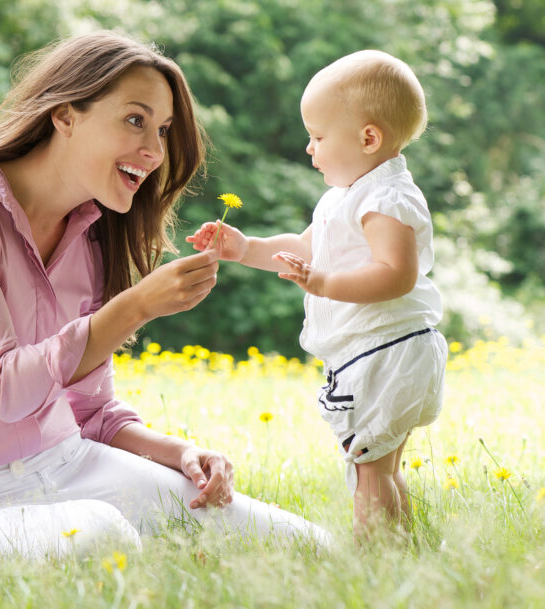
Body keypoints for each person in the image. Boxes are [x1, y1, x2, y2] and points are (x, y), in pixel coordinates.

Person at [0, 31, 331, 559]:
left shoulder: (91, 234)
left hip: (71, 465)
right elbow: (3, 389)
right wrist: (135, 306)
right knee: (100, 534)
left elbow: (91, 414)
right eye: (135, 120)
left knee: (307, 548)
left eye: (162, 130)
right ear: (66, 115)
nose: (155, 151)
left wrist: (182, 453)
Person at [187, 50, 446, 537]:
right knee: (379, 468)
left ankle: (374, 562)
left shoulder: (385, 198)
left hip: (387, 351)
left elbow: (396, 274)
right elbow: (305, 249)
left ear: (369, 138)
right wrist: (245, 248)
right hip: (378, 351)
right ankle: (401, 553)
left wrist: (324, 283)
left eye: (319, 136)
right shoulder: (346, 195)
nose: (309, 148)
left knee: (370, 469)